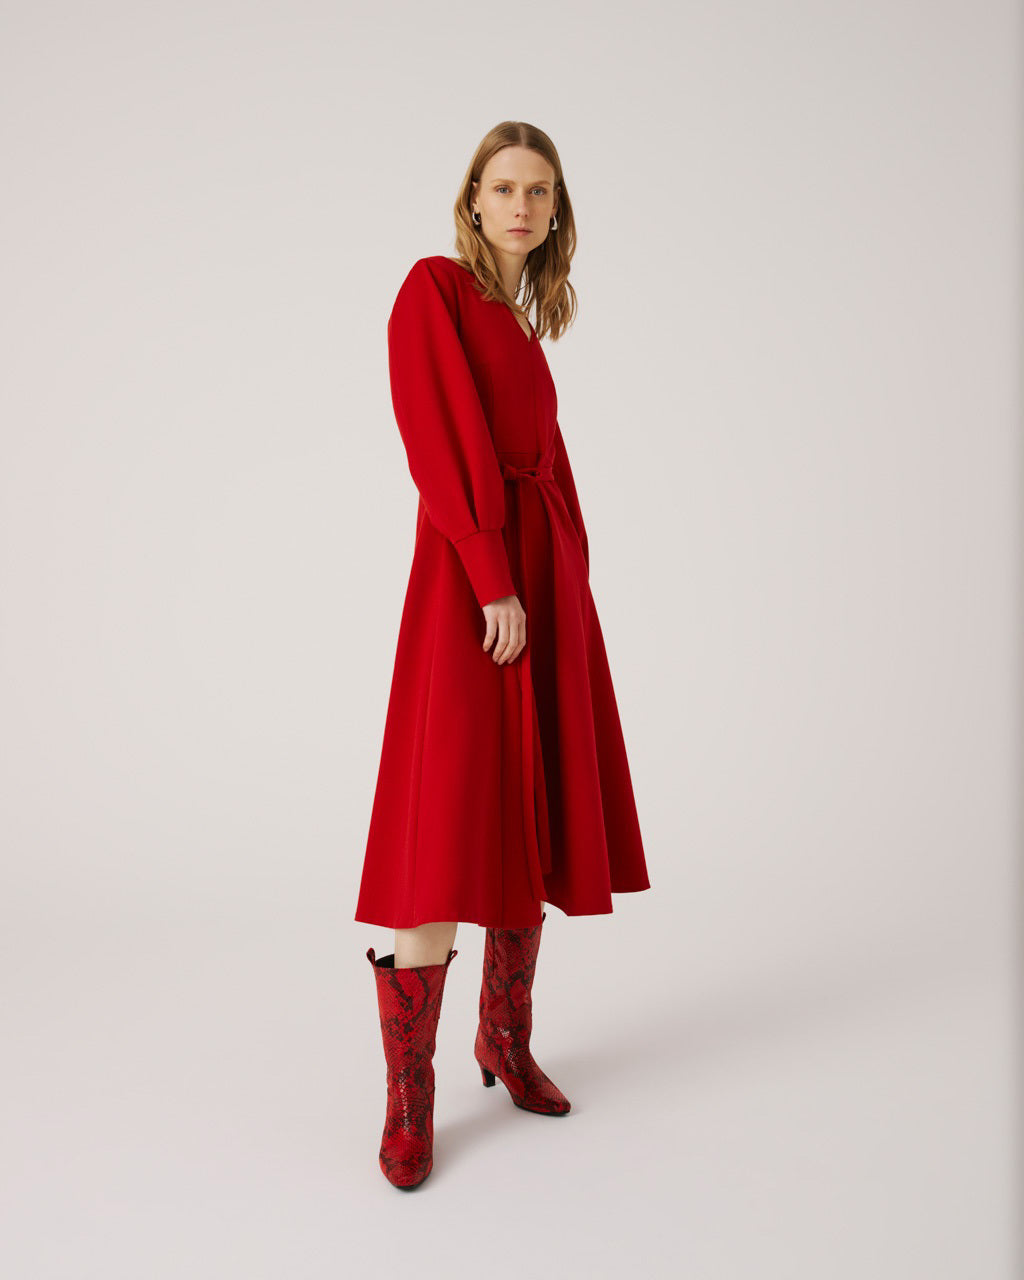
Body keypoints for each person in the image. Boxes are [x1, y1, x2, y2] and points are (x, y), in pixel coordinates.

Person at [355, 121, 651, 1189]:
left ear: (556, 211)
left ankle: (505, 1037)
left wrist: (562, 575)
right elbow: (432, 438)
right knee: (449, 816)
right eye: (502, 186)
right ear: (471, 200)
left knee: (524, 810)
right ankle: (408, 1098)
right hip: (472, 585)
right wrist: (490, 571)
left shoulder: (526, 332)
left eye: (540, 189)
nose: (520, 204)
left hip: (542, 584)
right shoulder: (432, 288)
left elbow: (549, 468)